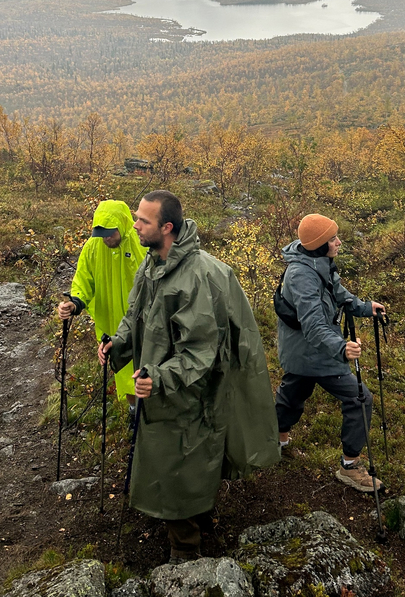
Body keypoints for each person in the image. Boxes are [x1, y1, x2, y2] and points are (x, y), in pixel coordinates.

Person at [98, 190, 279, 563]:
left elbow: (200, 351)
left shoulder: (194, 277)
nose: (134, 225)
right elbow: (136, 316)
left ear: (166, 227)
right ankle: (196, 518)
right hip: (160, 387)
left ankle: (186, 552)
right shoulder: (151, 264)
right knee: (174, 460)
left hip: (188, 394)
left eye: (142, 221)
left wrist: (160, 378)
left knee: (179, 463)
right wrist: (116, 348)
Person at [275, 213, 386, 493]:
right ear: (319, 245)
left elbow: (338, 294)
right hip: (312, 352)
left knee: (292, 396)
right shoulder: (301, 275)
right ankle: (349, 467)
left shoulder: (319, 262)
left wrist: (364, 306)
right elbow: (313, 327)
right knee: (360, 398)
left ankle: (276, 443)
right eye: (333, 239)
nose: (338, 242)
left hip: (307, 351)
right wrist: (340, 347)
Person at [58, 200, 147, 415]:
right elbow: (83, 281)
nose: (106, 238)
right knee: (124, 371)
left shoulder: (140, 243)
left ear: (122, 225)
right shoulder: (93, 247)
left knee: (145, 368)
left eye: (110, 233)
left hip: (143, 322)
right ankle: (134, 411)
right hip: (112, 324)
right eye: (102, 233)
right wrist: (74, 303)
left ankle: (150, 414)